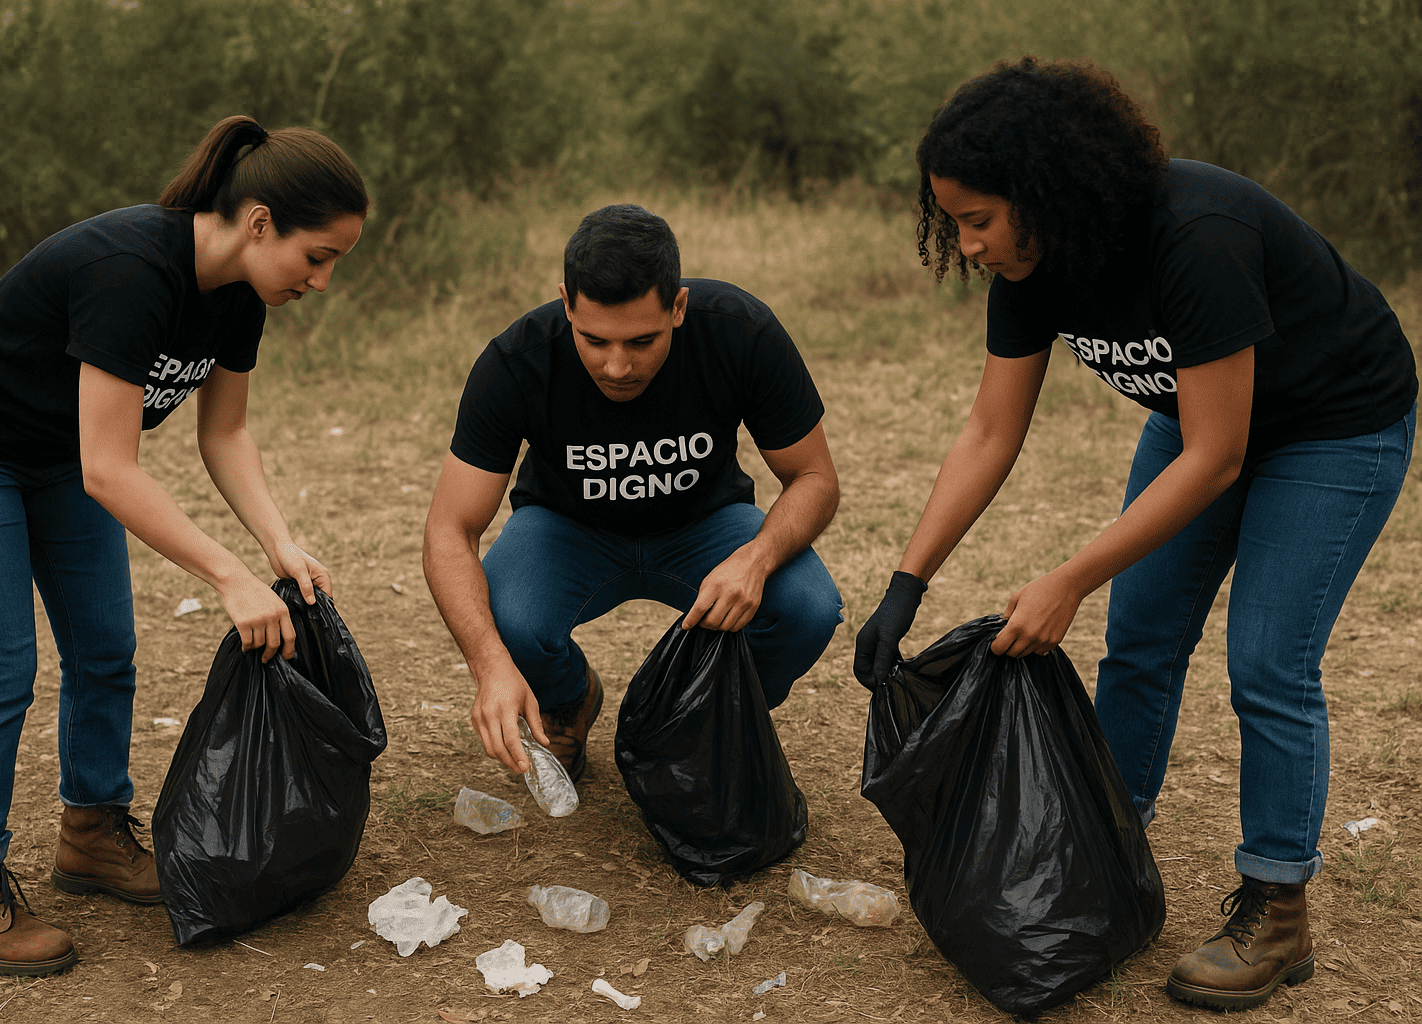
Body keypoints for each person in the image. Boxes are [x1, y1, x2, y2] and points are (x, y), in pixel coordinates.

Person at [853, 58, 1416, 1011]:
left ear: (1047, 193)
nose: (967, 244)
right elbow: (992, 430)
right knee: (1143, 637)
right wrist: (907, 581)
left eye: (978, 218)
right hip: (1199, 420)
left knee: (1269, 663)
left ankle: (1278, 911)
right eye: (952, 219)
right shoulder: (1033, 263)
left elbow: (1217, 457)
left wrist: (1070, 576)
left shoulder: (1196, 237)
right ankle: (1101, 855)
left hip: (1331, 425)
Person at [0, 115, 368, 976]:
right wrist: (226, 574)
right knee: (0, 665)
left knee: (106, 649)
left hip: (58, 458)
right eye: (317, 255)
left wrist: (278, 546)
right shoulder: (132, 271)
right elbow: (111, 469)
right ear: (260, 221)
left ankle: (91, 835)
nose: (323, 280)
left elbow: (224, 437)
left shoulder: (239, 298)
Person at [424, 203, 842, 784]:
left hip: (709, 525)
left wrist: (756, 559)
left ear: (678, 306)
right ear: (566, 303)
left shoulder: (740, 331)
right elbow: (450, 529)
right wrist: (489, 664)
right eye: (594, 340)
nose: (617, 366)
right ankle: (568, 699)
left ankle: (709, 720)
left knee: (808, 608)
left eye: (642, 341)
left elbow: (815, 478)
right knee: (507, 620)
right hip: (567, 528)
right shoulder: (516, 361)